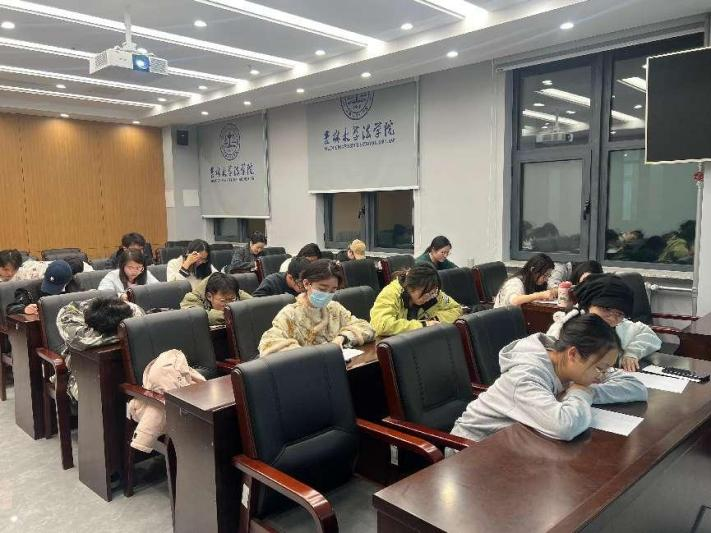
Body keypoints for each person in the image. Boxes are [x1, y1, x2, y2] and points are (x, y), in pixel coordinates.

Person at [450, 314, 647, 443]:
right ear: (573, 354)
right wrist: (579, 393)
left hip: (521, 439)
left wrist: (586, 391)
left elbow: (636, 388)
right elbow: (565, 426)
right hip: (472, 449)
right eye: (600, 368)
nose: (602, 375)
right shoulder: (525, 376)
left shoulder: (566, 361)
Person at [546, 274, 661, 372]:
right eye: (606, 309)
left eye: (619, 313)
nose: (612, 318)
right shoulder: (565, 329)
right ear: (587, 305)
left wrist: (632, 353)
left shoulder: (621, 326)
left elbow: (649, 335)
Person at [258, 259, 375, 355]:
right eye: (322, 289)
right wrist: (308, 353)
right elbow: (268, 344)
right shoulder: (290, 314)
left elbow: (366, 328)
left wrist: (342, 338)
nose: (327, 294)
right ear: (306, 284)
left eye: (333, 290)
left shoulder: (334, 308)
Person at [57, 296, 144, 401]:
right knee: (101, 395)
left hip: (122, 371)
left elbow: (135, 314)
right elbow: (84, 340)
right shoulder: (70, 321)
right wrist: (122, 332)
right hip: (80, 373)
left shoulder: (133, 310)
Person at [370, 264, 463, 336]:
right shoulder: (391, 293)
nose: (430, 297)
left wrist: (435, 319)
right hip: (393, 343)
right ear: (411, 287)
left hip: (419, 340)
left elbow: (456, 308)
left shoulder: (434, 293)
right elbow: (381, 325)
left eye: (433, 292)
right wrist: (422, 325)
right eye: (427, 293)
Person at [180, 272, 251, 325]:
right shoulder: (191, 299)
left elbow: (253, 305)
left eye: (232, 300)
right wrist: (235, 315)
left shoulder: (233, 291)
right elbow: (198, 318)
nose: (229, 305)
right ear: (209, 296)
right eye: (223, 301)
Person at [6, 260, 74, 316]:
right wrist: (24, 309)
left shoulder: (74, 287)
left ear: (67, 282)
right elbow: (10, 309)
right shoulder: (28, 291)